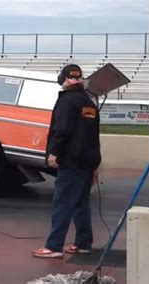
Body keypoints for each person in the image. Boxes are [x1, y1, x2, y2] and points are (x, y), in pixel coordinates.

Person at [32, 64, 101, 258]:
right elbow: (94, 135)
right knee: (80, 203)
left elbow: (61, 130)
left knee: (63, 203)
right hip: (88, 161)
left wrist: (53, 153)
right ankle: (83, 243)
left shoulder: (67, 100)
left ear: (63, 79)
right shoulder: (89, 101)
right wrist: (95, 165)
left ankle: (53, 247)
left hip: (71, 161)